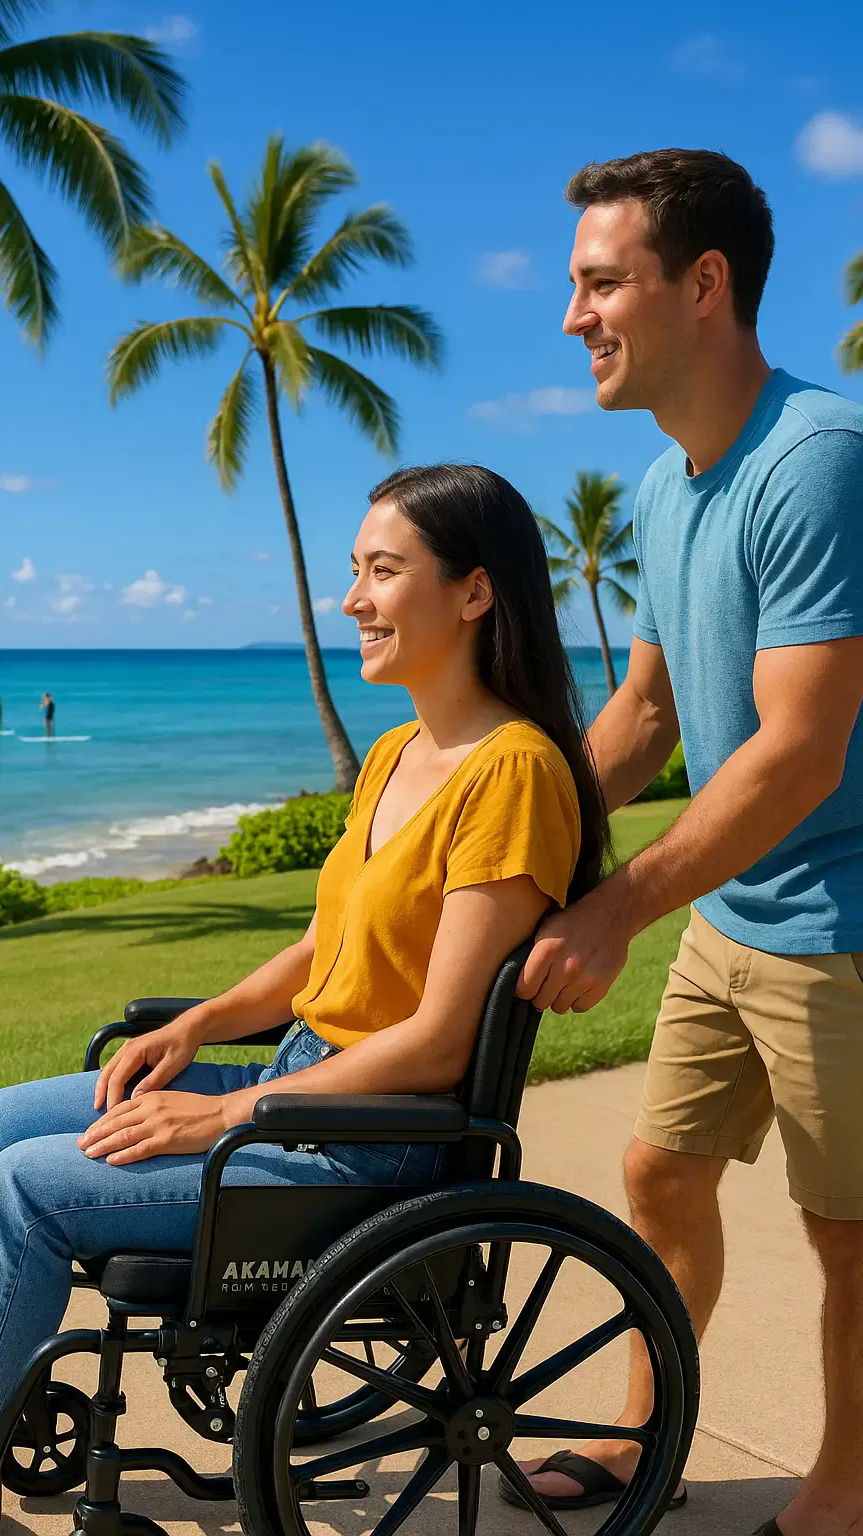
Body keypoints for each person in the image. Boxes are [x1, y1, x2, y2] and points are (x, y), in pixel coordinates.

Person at [0, 464, 609, 1536]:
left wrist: (220, 1112)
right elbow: (318, 951)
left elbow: (438, 1042)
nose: (352, 599)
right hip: (303, 1085)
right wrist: (196, 1026)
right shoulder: (396, 752)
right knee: (0, 1120)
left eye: (382, 572)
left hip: (369, 1143)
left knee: (27, 1185)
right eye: (353, 570)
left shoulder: (513, 774)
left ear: (475, 594)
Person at [503, 151, 863, 1536]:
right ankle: (651, 1425)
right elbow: (649, 712)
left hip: (840, 922)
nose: (575, 315)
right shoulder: (669, 485)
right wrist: (525, 842)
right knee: (661, 1170)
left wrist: (617, 909)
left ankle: (845, 1489)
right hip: (735, 909)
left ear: (701, 285)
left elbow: (796, 748)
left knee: (849, 1230)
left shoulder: (818, 462)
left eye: (602, 282)